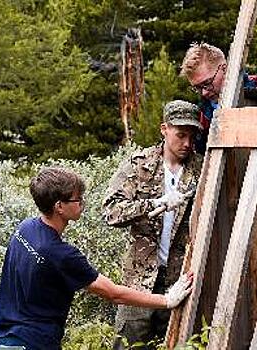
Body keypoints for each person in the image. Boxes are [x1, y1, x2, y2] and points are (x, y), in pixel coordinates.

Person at [0, 167, 193, 350]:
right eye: (77, 199)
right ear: (59, 206)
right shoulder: (61, 254)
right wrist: (166, 300)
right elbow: (113, 293)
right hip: (34, 343)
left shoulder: (25, 228)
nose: (82, 203)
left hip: (3, 338)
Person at [102, 100, 203, 348]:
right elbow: (110, 211)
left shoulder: (201, 168)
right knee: (128, 344)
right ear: (164, 129)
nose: (187, 143)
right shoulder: (140, 165)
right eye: (181, 135)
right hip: (139, 281)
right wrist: (154, 204)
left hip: (180, 281)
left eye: (191, 136)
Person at [180, 42, 257, 154]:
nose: (204, 93)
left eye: (207, 83)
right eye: (197, 88)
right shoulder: (203, 117)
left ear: (224, 69)